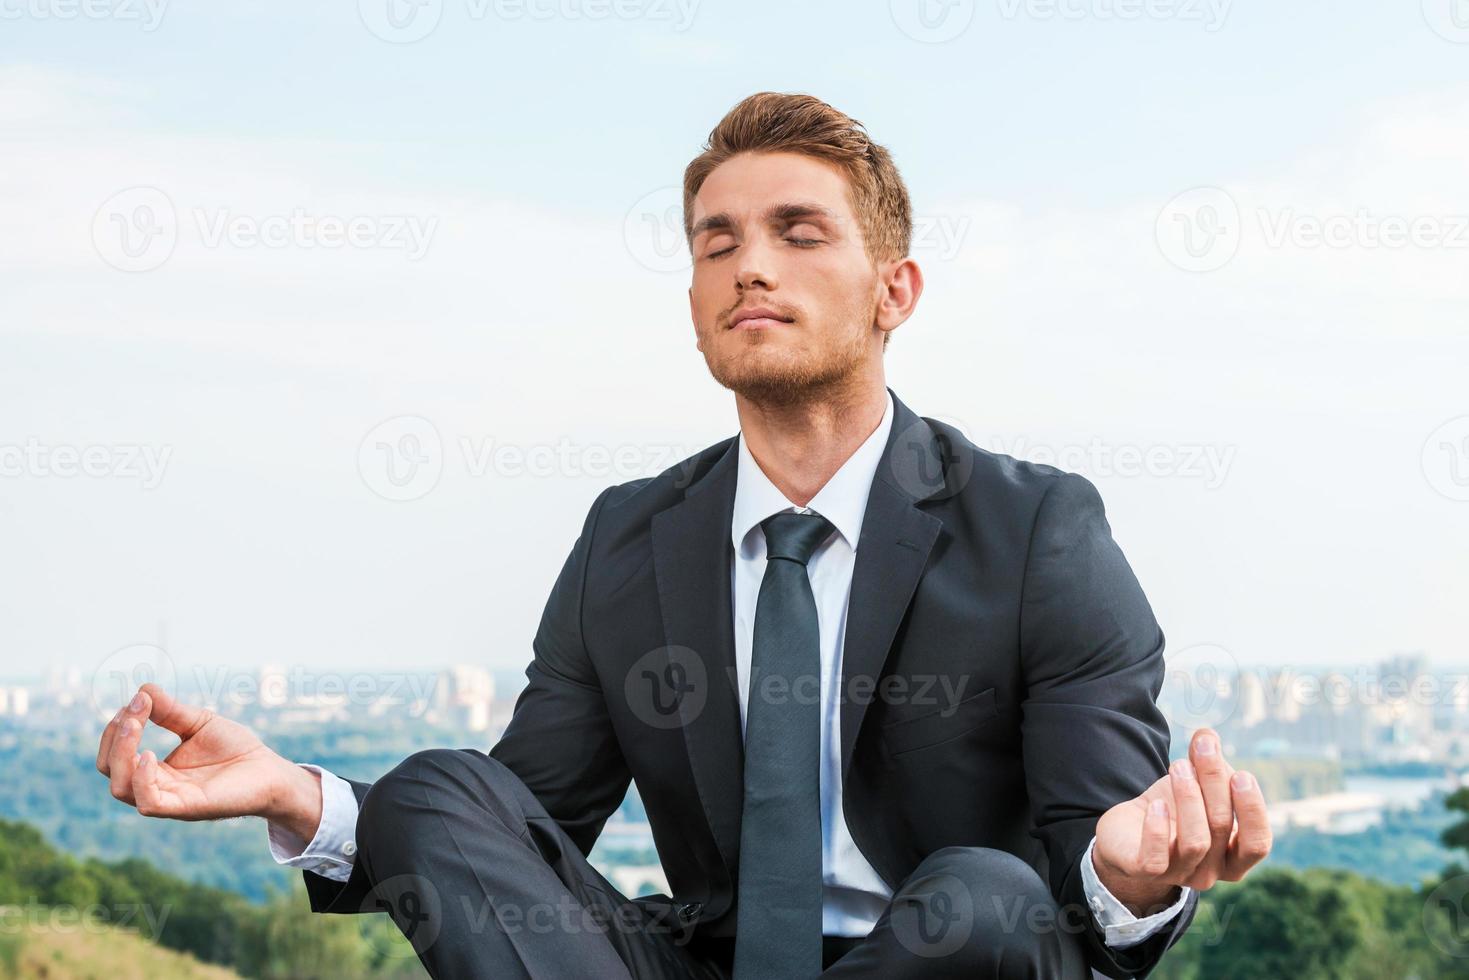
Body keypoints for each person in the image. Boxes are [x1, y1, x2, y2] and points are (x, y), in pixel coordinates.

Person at [96, 92, 1272, 979]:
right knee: (439, 786)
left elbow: (1100, 870)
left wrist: (1127, 871)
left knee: (983, 893)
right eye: (714, 242)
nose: (747, 263)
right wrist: (299, 796)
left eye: (797, 231)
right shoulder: (629, 535)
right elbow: (524, 828)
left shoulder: (1035, 528)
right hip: (693, 960)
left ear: (893, 290)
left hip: (944, 954)